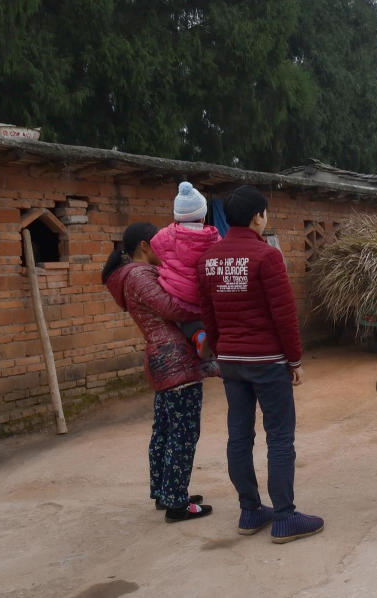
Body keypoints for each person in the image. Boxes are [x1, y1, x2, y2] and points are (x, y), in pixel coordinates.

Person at [197, 185, 323, 544]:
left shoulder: (209, 259)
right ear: (257, 217)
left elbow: (208, 315)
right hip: (267, 361)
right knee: (280, 437)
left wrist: (220, 351)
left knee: (239, 436)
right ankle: (284, 517)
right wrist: (295, 359)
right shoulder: (267, 257)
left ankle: (250, 510)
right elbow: (284, 315)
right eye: (265, 213)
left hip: (231, 363)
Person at [102, 222, 215, 522]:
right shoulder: (139, 275)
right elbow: (172, 308)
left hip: (162, 360)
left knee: (165, 430)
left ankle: (166, 492)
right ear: (143, 246)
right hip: (174, 360)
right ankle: (177, 503)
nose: (163, 251)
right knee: (184, 433)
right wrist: (206, 310)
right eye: (158, 245)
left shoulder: (130, 276)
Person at [149, 181, 221, 356]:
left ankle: (198, 336)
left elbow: (154, 246)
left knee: (185, 321)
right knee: (209, 317)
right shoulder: (213, 237)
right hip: (204, 296)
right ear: (203, 217)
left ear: (176, 217)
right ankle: (210, 338)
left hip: (178, 297)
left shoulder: (165, 235)